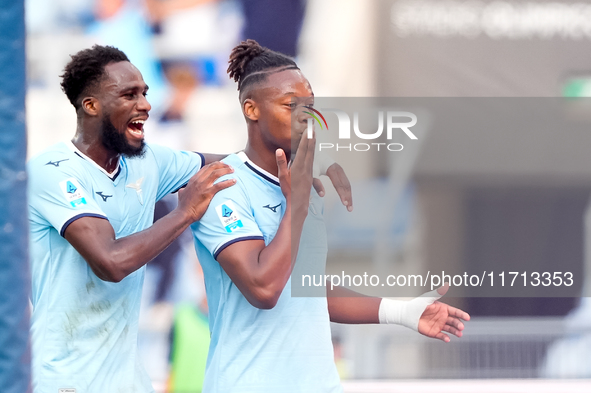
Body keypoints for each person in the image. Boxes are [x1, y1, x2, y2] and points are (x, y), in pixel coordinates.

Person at [190, 39, 471, 392]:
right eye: (291, 105)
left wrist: (401, 312)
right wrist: (297, 205)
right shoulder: (224, 186)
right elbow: (263, 288)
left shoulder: (303, 186)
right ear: (251, 109)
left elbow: (305, 289)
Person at [27, 45, 235, 393]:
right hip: (62, 381)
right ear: (90, 105)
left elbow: (236, 168)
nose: (146, 104)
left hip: (127, 381)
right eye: (129, 94)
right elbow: (110, 261)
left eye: (144, 93)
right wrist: (185, 213)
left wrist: (302, 164)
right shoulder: (52, 172)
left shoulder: (147, 161)